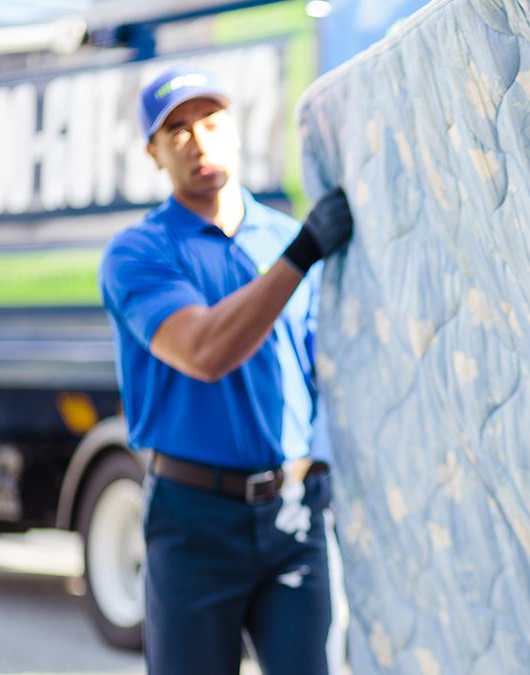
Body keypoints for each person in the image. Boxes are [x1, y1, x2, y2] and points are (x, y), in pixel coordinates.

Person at [98, 65, 353, 675]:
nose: (198, 140)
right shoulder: (139, 253)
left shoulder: (287, 236)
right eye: (177, 131)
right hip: (193, 523)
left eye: (210, 121)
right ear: (153, 153)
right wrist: (302, 256)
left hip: (294, 515)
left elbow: (332, 371)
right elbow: (205, 351)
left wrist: (322, 468)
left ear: (236, 131)